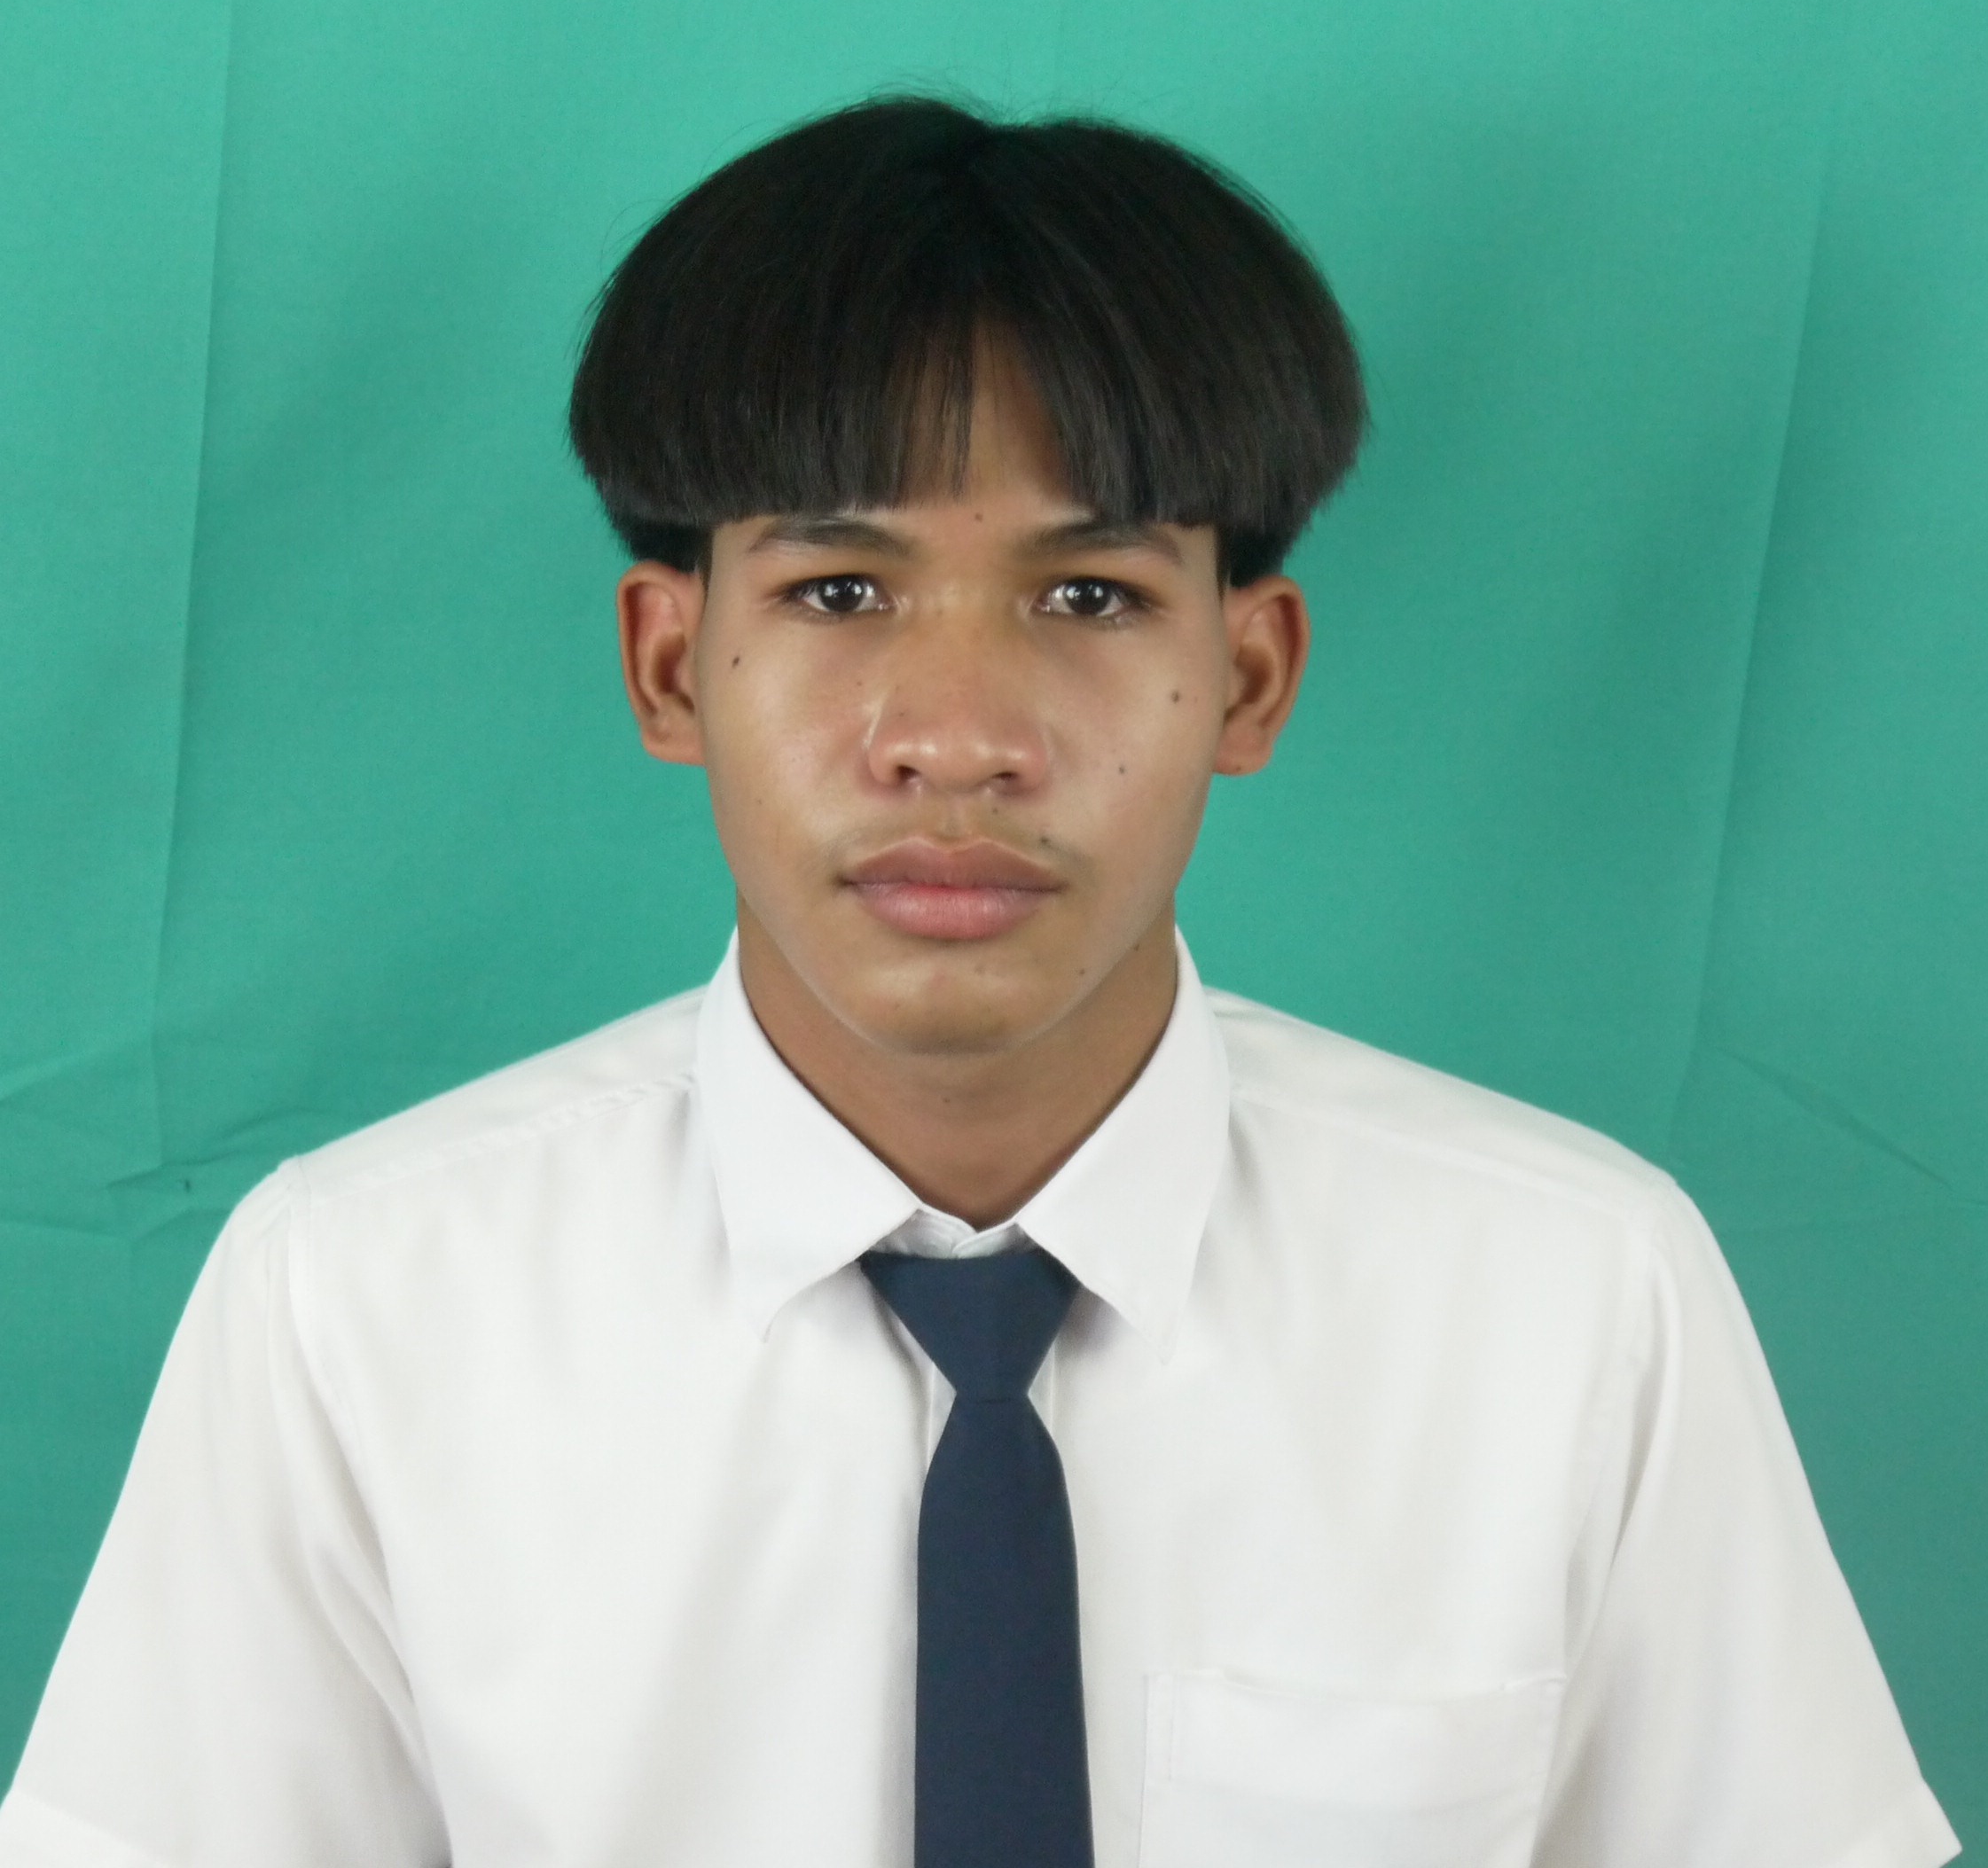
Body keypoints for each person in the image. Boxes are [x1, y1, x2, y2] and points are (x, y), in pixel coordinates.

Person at [0, 95, 1959, 1868]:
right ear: (672, 667)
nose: (953, 736)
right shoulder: (358, 1301)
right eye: (837, 593)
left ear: (1247, 677)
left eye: (1087, 595)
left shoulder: (1573, 1297)